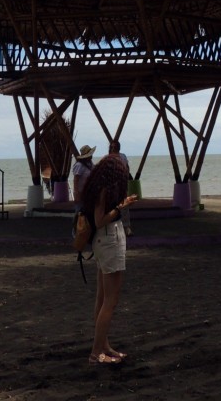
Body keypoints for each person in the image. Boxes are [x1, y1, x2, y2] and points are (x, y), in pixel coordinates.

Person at [79, 154, 138, 365]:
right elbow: (100, 219)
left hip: (102, 242)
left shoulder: (97, 186)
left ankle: (104, 345)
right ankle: (96, 353)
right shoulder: (105, 189)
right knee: (110, 301)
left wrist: (123, 202)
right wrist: (120, 208)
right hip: (109, 240)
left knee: (102, 298)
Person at [108, 140, 133, 236]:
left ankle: (127, 227)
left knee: (124, 205)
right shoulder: (109, 158)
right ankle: (115, 226)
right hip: (113, 184)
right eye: (112, 147)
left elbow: (127, 168)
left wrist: (126, 178)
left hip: (122, 183)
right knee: (114, 205)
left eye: (115, 147)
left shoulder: (123, 156)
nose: (113, 148)